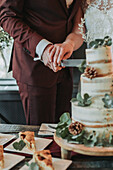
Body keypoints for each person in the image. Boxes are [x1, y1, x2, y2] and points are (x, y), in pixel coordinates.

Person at [0, 0, 83, 125]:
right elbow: (7, 16)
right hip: (33, 67)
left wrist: (68, 44)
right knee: (41, 138)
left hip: (65, 65)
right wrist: (42, 48)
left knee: (63, 135)